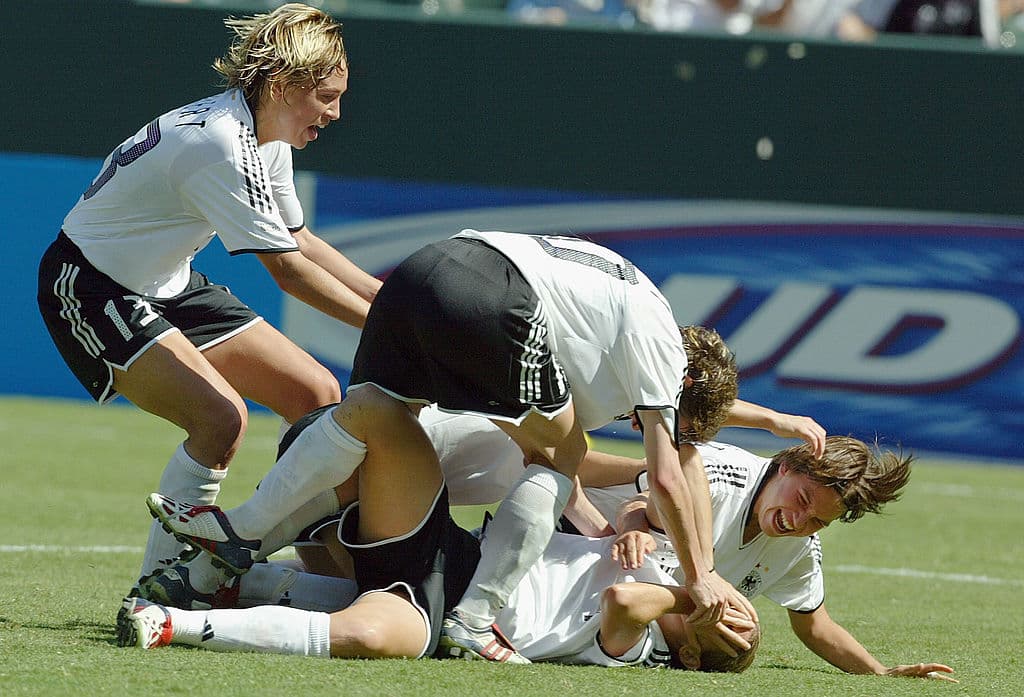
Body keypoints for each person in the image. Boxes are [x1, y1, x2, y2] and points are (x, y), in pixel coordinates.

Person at [144, 229, 768, 662]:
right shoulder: (661, 354)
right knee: (564, 451)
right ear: (685, 382)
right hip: (495, 306)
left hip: (428, 268)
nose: (642, 420)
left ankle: (235, 539)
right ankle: (474, 621)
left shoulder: (612, 325)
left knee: (372, 410)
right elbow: (665, 475)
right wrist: (703, 576)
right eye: (669, 418)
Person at [35, 3, 381, 585]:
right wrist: (388, 327)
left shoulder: (265, 137)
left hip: (165, 283)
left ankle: (331, 571)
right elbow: (289, 272)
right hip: (91, 285)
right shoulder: (221, 144)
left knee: (318, 392)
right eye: (326, 95)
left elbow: (299, 239)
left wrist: (393, 304)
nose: (336, 112)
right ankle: (161, 585)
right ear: (284, 83)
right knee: (221, 419)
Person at [596, 436, 957, 680]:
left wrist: (879, 673)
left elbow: (815, 627)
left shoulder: (800, 548)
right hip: (567, 537)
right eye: (802, 500)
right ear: (787, 466)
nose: (798, 521)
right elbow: (638, 504)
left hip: (603, 603)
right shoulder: (718, 476)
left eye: (818, 520)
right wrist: (634, 524)